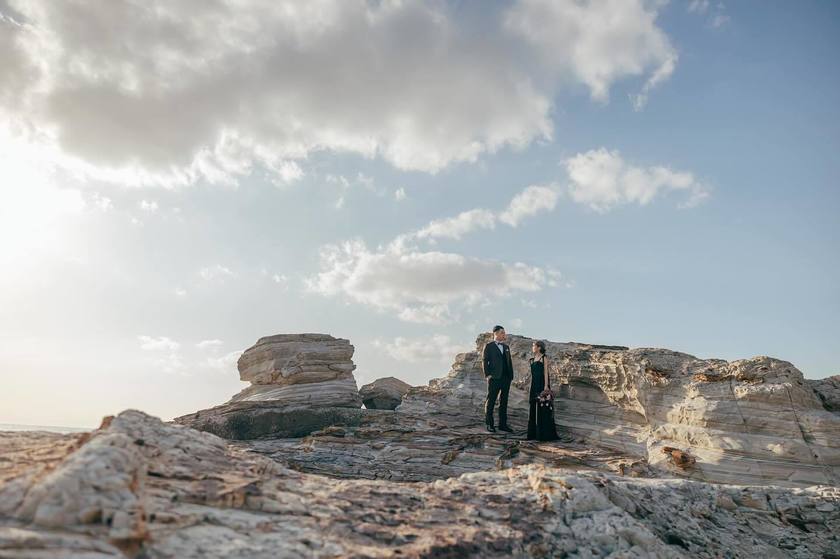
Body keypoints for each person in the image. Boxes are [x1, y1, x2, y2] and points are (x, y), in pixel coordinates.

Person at [482, 325, 514, 433]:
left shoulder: (506, 347)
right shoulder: (489, 346)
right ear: (495, 334)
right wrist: (488, 375)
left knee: (504, 402)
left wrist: (511, 376)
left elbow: (509, 362)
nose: (504, 335)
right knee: (491, 401)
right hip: (494, 378)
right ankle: (490, 425)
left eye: (504, 333)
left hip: (506, 378)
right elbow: (485, 361)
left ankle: (502, 425)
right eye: (502, 333)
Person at [526, 340, 559, 441]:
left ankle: (543, 434)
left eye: (534, 346)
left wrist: (546, 386)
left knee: (543, 408)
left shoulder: (544, 358)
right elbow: (531, 374)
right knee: (533, 407)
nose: (532, 347)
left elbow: (546, 373)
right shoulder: (531, 359)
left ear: (539, 347)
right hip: (534, 385)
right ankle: (533, 434)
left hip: (542, 384)